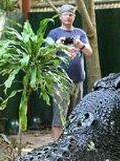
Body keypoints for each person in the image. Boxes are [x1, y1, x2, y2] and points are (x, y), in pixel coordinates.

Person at [47, 4, 93, 140]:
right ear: (60, 16)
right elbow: (45, 54)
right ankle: (56, 147)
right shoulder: (54, 34)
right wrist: (57, 45)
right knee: (59, 117)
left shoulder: (80, 33)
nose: (68, 16)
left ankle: (73, 145)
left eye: (71, 14)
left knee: (76, 116)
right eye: (65, 14)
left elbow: (89, 52)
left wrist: (80, 45)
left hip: (78, 80)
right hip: (60, 81)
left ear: (74, 16)